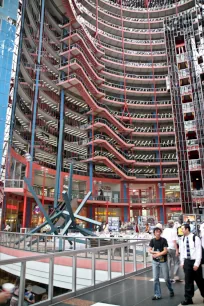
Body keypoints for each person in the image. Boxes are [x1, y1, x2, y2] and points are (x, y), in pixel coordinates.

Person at [180, 223, 204, 305]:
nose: (181, 230)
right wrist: (182, 262)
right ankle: (188, 299)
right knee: (188, 281)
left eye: (182, 229)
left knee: (199, 280)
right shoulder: (182, 239)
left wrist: (197, 263)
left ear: (187, 229)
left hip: (195, 261)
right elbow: (182, 251)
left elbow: (199, 251)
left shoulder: (195, 238)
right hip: (187, 262)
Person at [149, 226, 174, 300]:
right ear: (154, 233)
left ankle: (171, 290)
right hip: (155, 262)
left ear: (161, 232)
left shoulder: (164, 240)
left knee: (166, 278)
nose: (158, 233)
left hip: (163, 261)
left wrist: (157, 254)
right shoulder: (152, 241)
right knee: (156, 278)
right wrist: (154, 252)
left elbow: (165, 251)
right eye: (156, 232)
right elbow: (149, 250)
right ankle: (157, 294)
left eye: (159, 231)